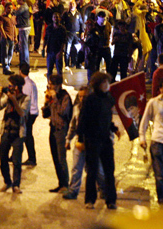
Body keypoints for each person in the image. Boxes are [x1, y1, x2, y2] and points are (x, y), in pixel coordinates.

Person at [75, 72, 119, 209]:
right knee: (92, 171)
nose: (108, 85)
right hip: (92, 140)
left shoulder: (109, 99)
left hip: (105, 139)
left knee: (109, 170)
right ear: (98, 85)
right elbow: (82, 120)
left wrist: (114, 128)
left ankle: (111, 200)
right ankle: (90, 199)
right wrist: (81, 139)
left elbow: (107, 118)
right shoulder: (90, 99)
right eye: (105, 83)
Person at [0, 74, 29, 194]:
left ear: (17, 87)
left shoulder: (26, 98)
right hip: (6, 131)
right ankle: (7, 181)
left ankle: (16, 185)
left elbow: (22, 113)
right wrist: (0, 96)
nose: (9, 87)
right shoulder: (8, 97)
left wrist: (14, 101)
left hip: (18, 133)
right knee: (2, 158)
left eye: (11, 85)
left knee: (17, 161)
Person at [42, 73, 72, 193]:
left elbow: (63, 112)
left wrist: (54, 99)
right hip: (53, 128)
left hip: (61, 130)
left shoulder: (64, 97)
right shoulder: (51, 95)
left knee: (61, 158)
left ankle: (65, 184)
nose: (50, 87)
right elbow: (45, 114)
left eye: (52, 85)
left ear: (59, 85)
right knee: (55, 157)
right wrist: (46, 102)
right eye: (49, 84)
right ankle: (61, 183)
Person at [20, 63, 39, 167]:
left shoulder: (26, 85)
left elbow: (25, 100)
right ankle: (15, 154)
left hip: (30, 112)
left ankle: (32, 158)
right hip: (33, 111)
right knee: (25, 134)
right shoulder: (31, 82)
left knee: (26, 135)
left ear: (20, 71)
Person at [44, 12, 67, 78]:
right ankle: (49, 84)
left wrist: (60, 52)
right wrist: (43, 48)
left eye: (57, 17)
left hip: (58, 52)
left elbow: (64, 41)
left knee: (59, 71)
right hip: (50, 51)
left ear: (59, 18)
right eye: (54, 17)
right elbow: (46, 38)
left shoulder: (62, 29)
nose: (55, 18)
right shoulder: (49, 28)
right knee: (49, 71)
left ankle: (59, 86)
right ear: (52, 18)